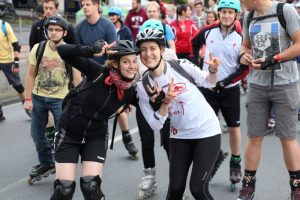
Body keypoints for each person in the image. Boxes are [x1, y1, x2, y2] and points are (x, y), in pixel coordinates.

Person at [135, 27, 221, 200]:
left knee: (197, 188)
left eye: (152, 48)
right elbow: (156, 124)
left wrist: (212, 71)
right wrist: (165, 102)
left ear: (161, 50)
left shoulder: (180, 66)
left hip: (206, 131)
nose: (148, 54)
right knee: (175, 189)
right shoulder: (142, 85)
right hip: (179, 135)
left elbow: (209, 82)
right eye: (143, 50)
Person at [50, 40, 139, 199]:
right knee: (64, 190)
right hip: (69, 133)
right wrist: (91, 49)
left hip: (95, 136)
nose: (132, 66)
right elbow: (62, 50)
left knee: (91, 187)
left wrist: (162, 98)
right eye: (126, 61)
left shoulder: (130, 91)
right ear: (115, 63)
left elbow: (153, 106)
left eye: (134, 61)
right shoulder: (97, 72)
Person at [237, 0, 300, 199]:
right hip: (257, 85)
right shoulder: (249, 16)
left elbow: (299, 44)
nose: (240, 3)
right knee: (254, 136)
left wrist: (275, 59)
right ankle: (248, 186)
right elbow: (244, 47)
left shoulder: (285, 10)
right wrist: (244, 56)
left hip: (285, 83)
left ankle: (296, 187)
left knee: (287, 137)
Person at [192, 0, 246, 189]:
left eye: (230, 13)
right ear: (219, 13)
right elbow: (194, 44)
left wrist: (225, 82)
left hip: (230, 89)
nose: (226, 16)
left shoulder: (241, 36)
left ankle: (235, 163)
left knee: (233, 128)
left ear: (236, 15)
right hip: (209, 88)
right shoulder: (208, 31)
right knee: (207, 129)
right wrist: (198, 68)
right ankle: (213, 159)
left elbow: (243, 68)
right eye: (223, 12)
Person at [24, 15, 82, 185]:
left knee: (61, 137)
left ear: (64, 32)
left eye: (58, 30)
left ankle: (62, 169)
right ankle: (46, 163)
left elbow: (77, 80)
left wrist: (78, 103)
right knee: (36, 134)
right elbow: (30, 74)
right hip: (39, 97)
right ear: (47, 31)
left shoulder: (70, 50)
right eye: (51, 30)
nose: (54, 33)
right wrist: (27, 98)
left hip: (60, 99)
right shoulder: (38, 48)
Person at [135, 19, 178, 200]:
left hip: (167, 102)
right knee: (146, 140)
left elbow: (178, 80)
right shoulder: (137, 57)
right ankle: (149, 176)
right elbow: (134, 80)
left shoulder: (169, 54)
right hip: (144, 102)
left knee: (169, 143)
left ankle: (177, 181)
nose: (148, 52)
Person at [108, 6, 139, 159]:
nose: (112, 17)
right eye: (111, 15)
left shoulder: (125, 30)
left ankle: (128, 140)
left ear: (119, 16)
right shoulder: (107, 27)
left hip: (119, 69)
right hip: (103, 68)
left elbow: (129, 48)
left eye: (115, 15)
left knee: (119, 108)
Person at [0, 0, 28, 121]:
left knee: (18, 87)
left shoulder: (5, 26)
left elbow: (16, 46)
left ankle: (28, 107)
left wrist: (16, 62)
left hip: (8, 61)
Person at [77, 0, 116, 65]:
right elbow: (77, 51)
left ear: (96, 6)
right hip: (85, 69)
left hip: (104, 69)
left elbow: (113, 51)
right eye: (83, 5)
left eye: (88, 4)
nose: (84, 7)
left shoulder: (108, 25)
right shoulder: (79, 27)